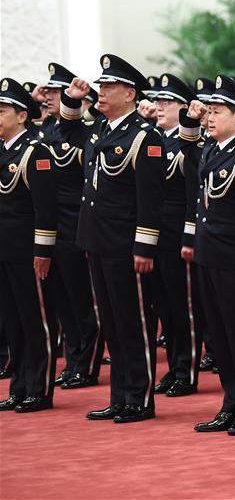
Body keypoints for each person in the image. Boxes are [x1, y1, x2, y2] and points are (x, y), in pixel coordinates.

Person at [61, 55, 164, 424]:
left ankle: (140, 397)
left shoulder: (143, 136)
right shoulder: (101, 130)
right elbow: (67, 133)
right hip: (98, 240)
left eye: (109, 87)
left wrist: (144, 246)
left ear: (130, 93)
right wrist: (73, 99)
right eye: (101, 86)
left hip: (125, 244)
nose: (101, 93)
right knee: (113, 324)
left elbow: (149, 198)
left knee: (133, 322)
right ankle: (120, 395)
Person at [181, 76, 235, 435]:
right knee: (218, 334)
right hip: (209, 255)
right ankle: (230, 400)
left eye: (218, 112)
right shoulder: (211, 151)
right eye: (210, 112)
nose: (210, 118)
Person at [32, 64, 103, 390]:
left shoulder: (84, 130)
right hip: (50, 227)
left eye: (52, 93)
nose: (47, 98)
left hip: (76, 224)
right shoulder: (44, 132)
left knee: (80, 298)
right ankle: (73, 359)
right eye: (45, 93)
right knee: (60, 299)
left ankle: (86, 364)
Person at [0, 77, 58, 413]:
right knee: (13, 321)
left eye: (3, 109)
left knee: (36, 320)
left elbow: (45, 209)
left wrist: (43, 251)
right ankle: (19, 385)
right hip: (5, 250)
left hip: (27, 251)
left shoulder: (36, 152)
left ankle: (39, 387)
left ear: (22, 116)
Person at [148, 74, 203, 397]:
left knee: (184, 305)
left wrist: (189, 234)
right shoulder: (153, 139)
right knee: (164, 304)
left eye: (167, 102)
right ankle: (174, 364)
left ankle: (187, 367)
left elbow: (193, 191)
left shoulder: (188, 144)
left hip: (178, 231)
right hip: (156, 233)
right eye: (158, 102)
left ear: (184, 108)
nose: (160, 107)